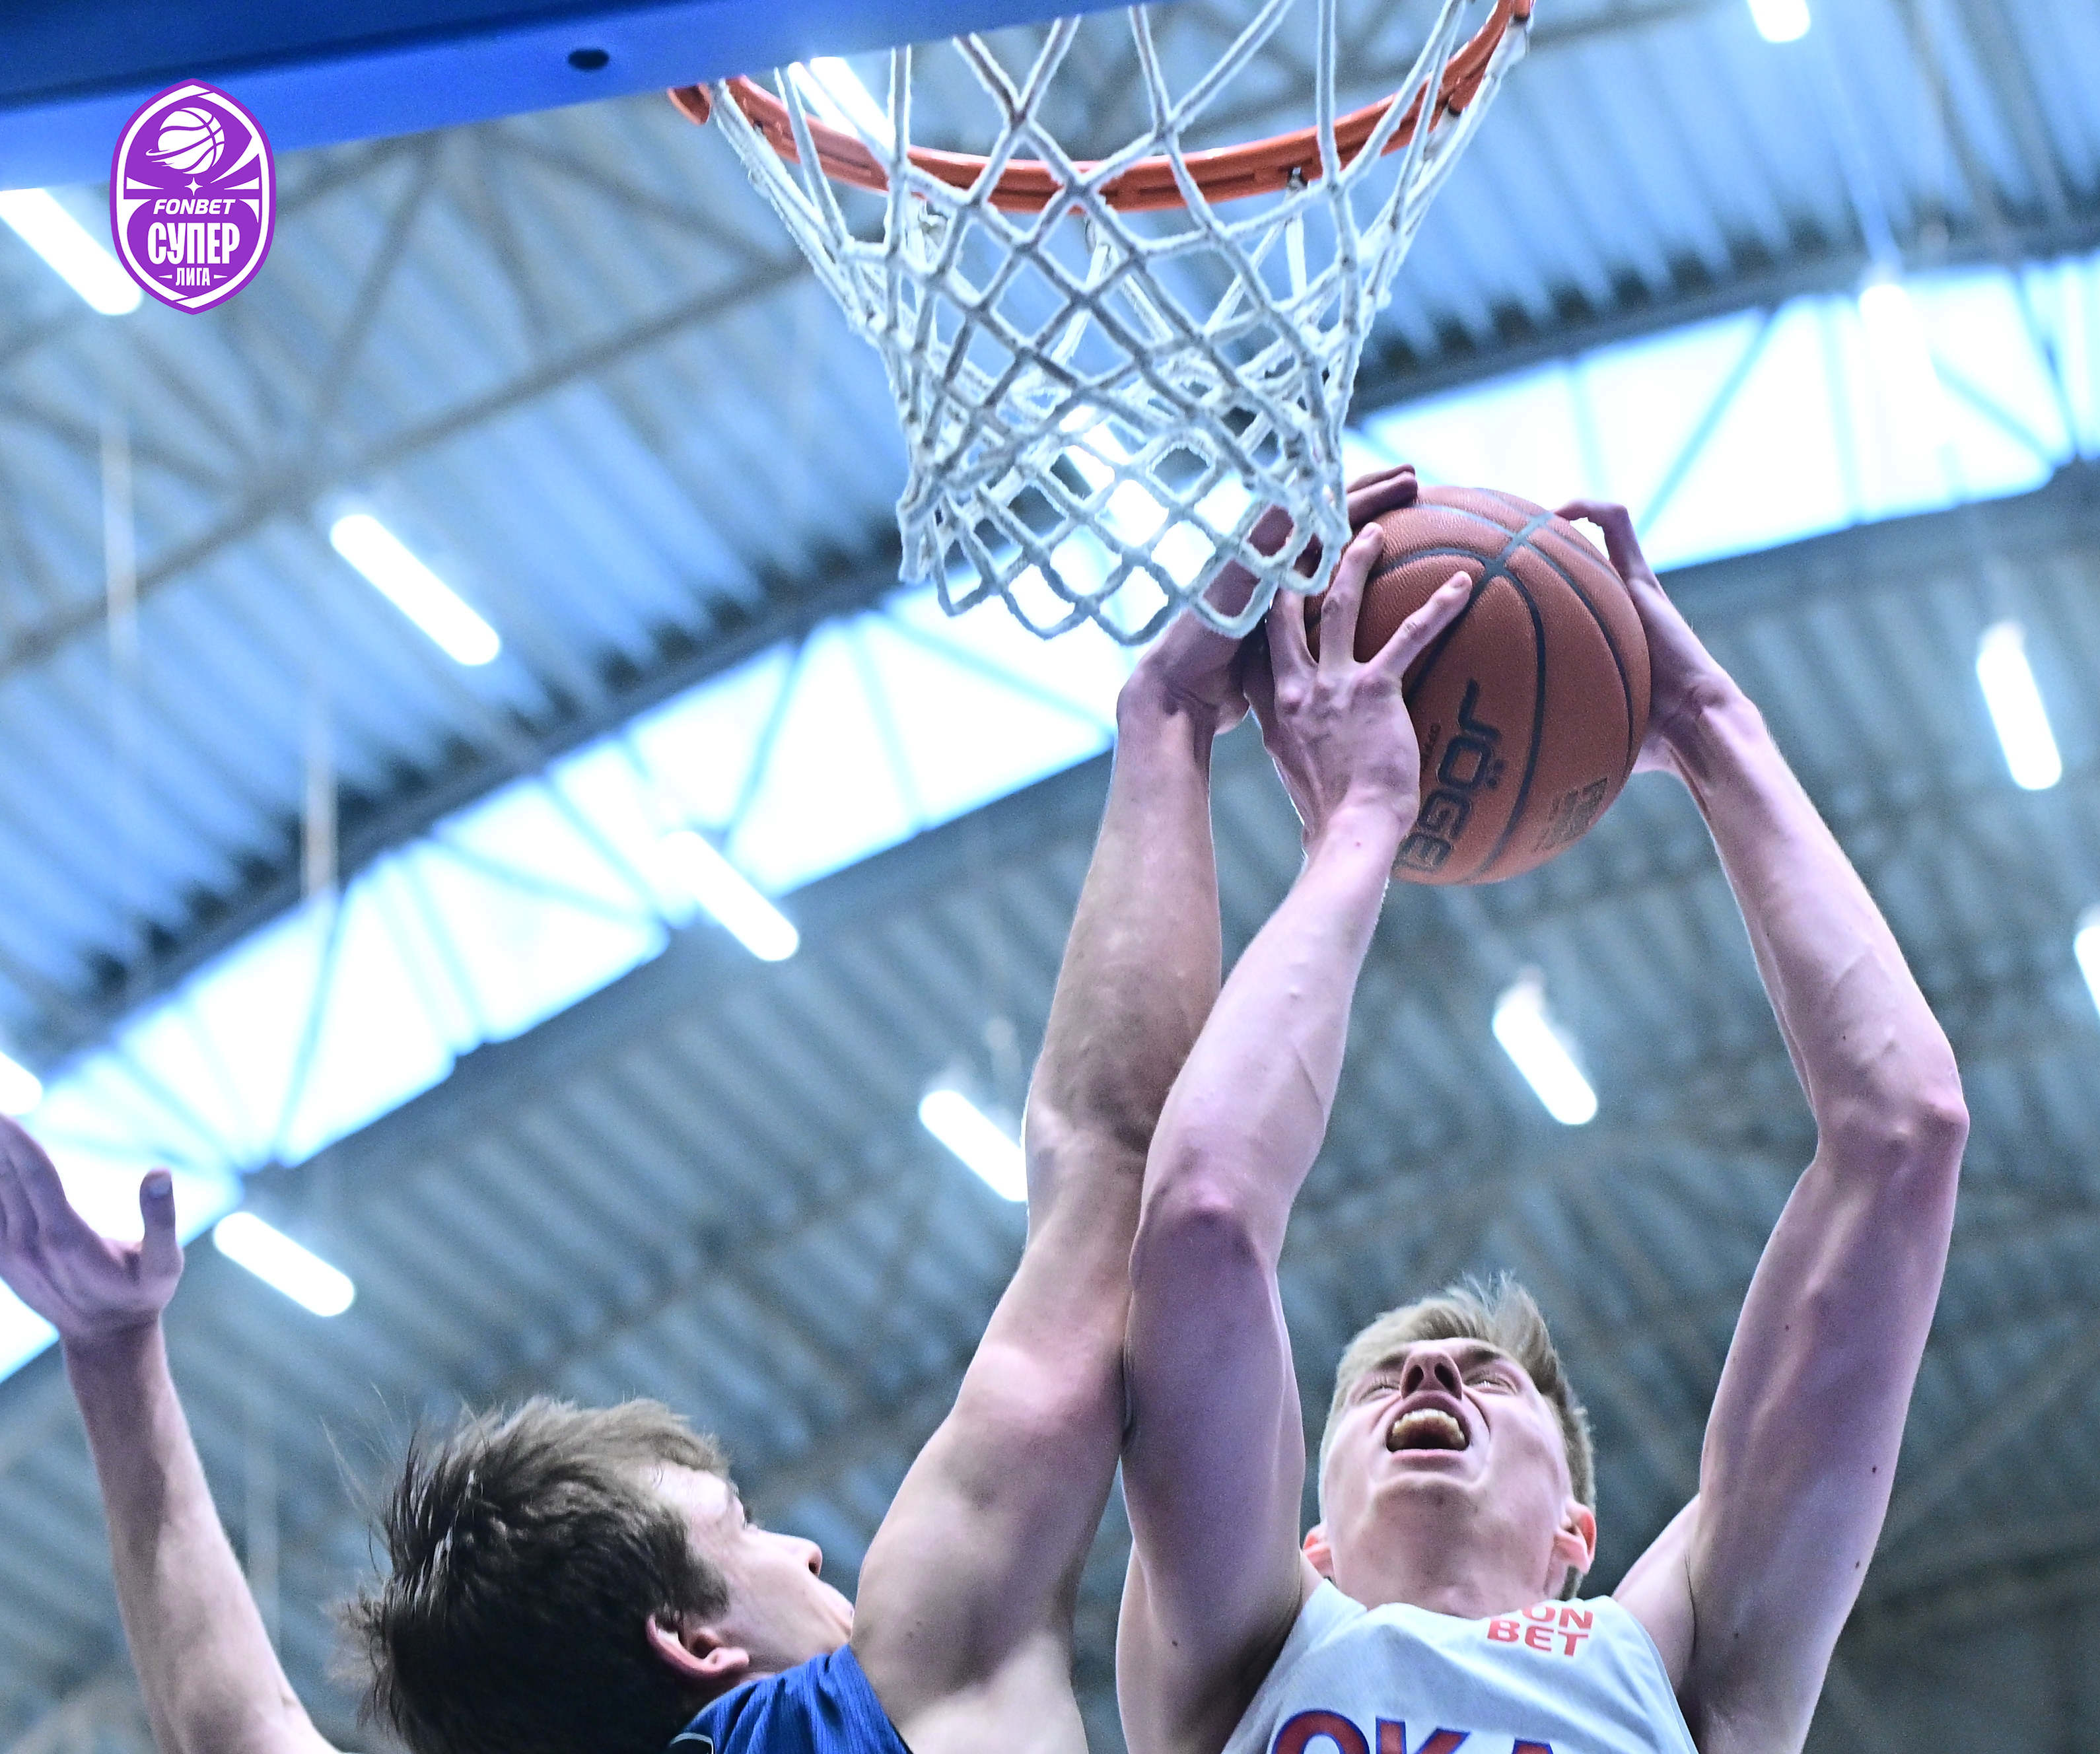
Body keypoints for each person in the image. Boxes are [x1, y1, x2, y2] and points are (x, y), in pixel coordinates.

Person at [0, 468, 1426, 1754]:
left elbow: (232, 1721)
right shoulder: (885, 1696)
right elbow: (1112, 1163)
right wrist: (1166, 723)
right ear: (692, 1638)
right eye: (744, 1529)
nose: (807, 1552)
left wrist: (116, 1357)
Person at [1115, 500, 1971, 1754]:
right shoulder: (1254, 1649)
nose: (1428, 1379)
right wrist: (1359, 823)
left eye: (1489, 1380)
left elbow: (1907, 1131)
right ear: (1315, 1544)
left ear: (1577, 1530)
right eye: (1377, 1390)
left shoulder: (1672, 1669)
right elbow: (1198, 1219)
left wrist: (1711, 723)